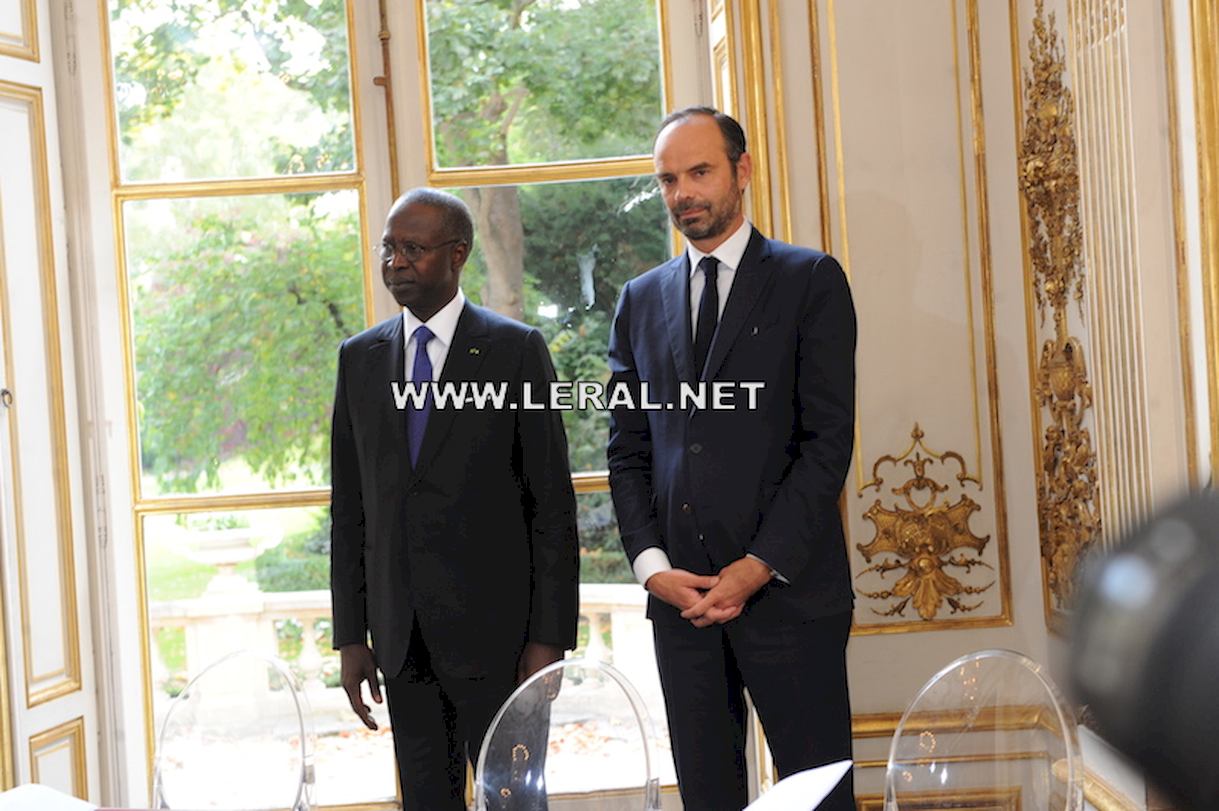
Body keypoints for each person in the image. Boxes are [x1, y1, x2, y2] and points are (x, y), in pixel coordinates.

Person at [607, 107, 857, 810]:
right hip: (681, 604)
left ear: (741, 171)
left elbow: (826, 443)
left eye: (698, 171)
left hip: (789, 596)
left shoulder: (810, 280)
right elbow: (627, 449)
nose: (682, 192)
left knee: (818, 798)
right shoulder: (638, 300)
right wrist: (651, 568)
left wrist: (756, 566)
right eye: (666, 179)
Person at [330, 188, 579, 809]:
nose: (396, 263)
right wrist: (351, 636)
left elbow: (551, 504)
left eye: (412, 249)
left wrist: (549, 639)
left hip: (502, 644)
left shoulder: (515, 351)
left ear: (458, 254)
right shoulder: (359, 359)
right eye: (388, 249)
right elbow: (350, 508)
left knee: (515, 803)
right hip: (401, 642)